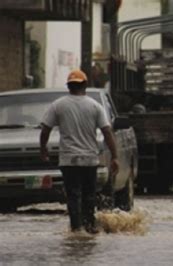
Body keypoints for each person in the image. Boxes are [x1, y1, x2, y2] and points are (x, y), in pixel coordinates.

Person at [40, 69, 119, 233]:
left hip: (68, 160)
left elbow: (45, 130)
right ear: (85, 85)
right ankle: (90, 227)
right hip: (89, 159)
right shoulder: (95, 106)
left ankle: (76, 229)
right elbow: (107, 132)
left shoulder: (58, 105)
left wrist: (43, 150)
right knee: (89, 195)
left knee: (73, 195)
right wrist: (115, 157)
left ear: (69, 86)